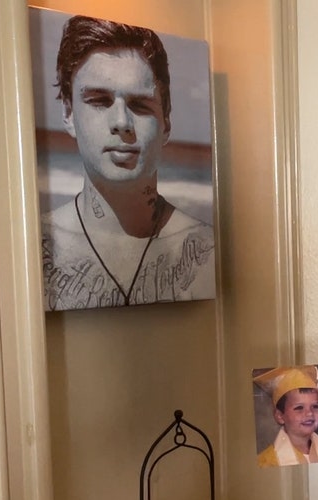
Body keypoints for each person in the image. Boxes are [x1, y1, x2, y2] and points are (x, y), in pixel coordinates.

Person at [40, 15, 215, 311]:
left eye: (139, 104)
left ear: (166, 123)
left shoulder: (209, 252)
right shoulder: (32, 250)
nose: (121, 122)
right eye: (99, 100)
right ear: (68, 114)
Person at [253, 366, 318, 467]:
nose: (309, 413)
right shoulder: (266, 463)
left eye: (315, 406)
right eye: (299, 408)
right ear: (280, 416)